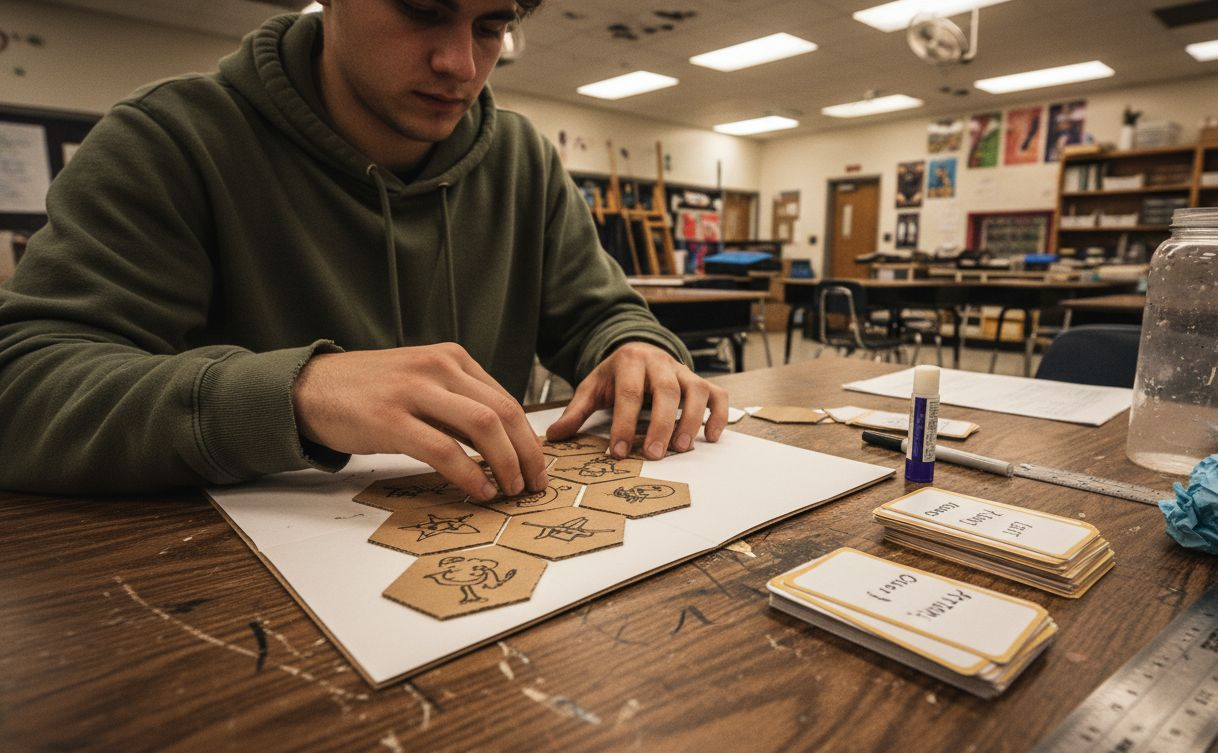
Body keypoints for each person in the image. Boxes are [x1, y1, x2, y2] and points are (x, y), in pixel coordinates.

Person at [0, 0, 728, 498]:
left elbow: (598, 315)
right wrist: (293, 392)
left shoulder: (521, 161)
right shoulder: (171, 141)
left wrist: (637, 347)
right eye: (421, 8)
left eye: (491, 25)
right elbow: (23, 386)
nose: (460, 64)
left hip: (487, 572)